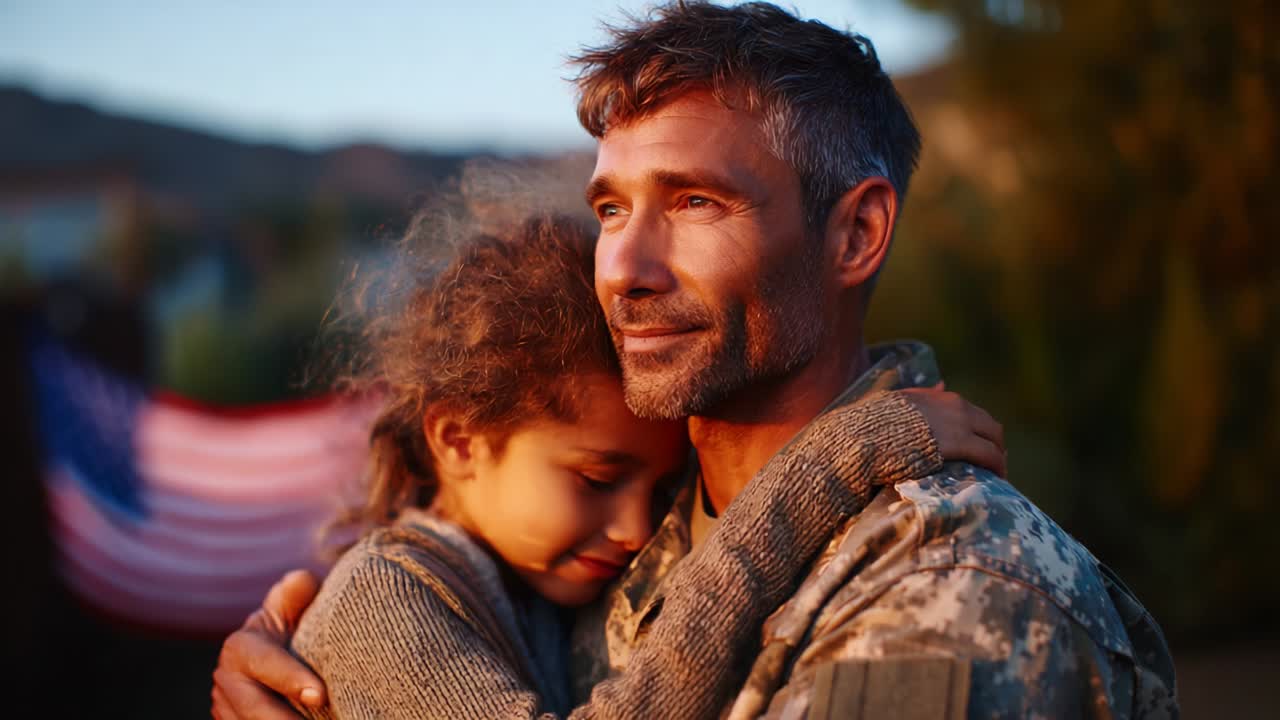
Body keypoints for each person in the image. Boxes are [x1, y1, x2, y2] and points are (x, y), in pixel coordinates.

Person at [212, 2, 1177, 718]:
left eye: (697, 203)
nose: (623, 270)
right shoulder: (623, 528)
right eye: (610, 209)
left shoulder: (957, 580)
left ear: (857, 234)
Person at [285, 210, 1004, 719]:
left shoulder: (522, 582)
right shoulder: (378, 601)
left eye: (659, 488)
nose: (636, 528)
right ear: (460, 441)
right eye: (596, 479)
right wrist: (829, 463)